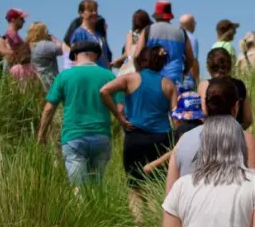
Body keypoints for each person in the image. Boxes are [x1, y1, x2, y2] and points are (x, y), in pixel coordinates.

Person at [100, 46, 177, 216]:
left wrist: (119, 117)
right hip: (162, 138)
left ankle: (139, 222)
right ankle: (156, 222)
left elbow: (104, 90)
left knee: (135, 185)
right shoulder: (168, 84)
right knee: (158, 184)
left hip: (136, 136)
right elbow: (176, 116)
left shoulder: (130, 79)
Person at [36, 41, 116, 185]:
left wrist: (41, 134)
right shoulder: (108, 76)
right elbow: (120, 107)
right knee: (97, 186)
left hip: (74, 137)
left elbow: (49, 108)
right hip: (102, 135)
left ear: (74, 57)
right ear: (97, 56)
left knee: (78, 189)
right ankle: (98, 207)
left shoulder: (64, 76)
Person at [135, 0, 196, 88]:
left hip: (151, 80)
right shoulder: (182, 33)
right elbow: (190, 58)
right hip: (174, 81)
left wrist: (140, 73)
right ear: (170, 16)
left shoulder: (148, 30)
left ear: (155, 16)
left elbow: (137, 56)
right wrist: (184, 71)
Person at [198, 48, 253, 129]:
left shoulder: (205, 85)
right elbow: (248, 119)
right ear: (230, 65)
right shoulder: (240, 84)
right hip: (236, 133)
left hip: (212, 134)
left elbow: (203, 115)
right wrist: (239, 131)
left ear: (208, 67)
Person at [67, 0, 110, 70]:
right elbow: (76, 59)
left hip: (103, 72)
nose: (94, 13)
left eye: (96, 10)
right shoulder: (79, 33)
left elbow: (105, 57)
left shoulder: (99, 35)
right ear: (81, 13)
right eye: (90, 10)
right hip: (89, 73)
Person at [26, 22, 64, 90]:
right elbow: (63, 49)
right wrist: (54, 39)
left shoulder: (29, 45)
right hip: (49, 81)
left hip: (36, 81)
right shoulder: (43, 45)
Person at [179, 13, 201, 87]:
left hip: (174, 80)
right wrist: (197, 80)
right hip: (187, 82)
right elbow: (192, 61)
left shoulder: (175, 36)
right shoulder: (192, 39)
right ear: (191, 24)